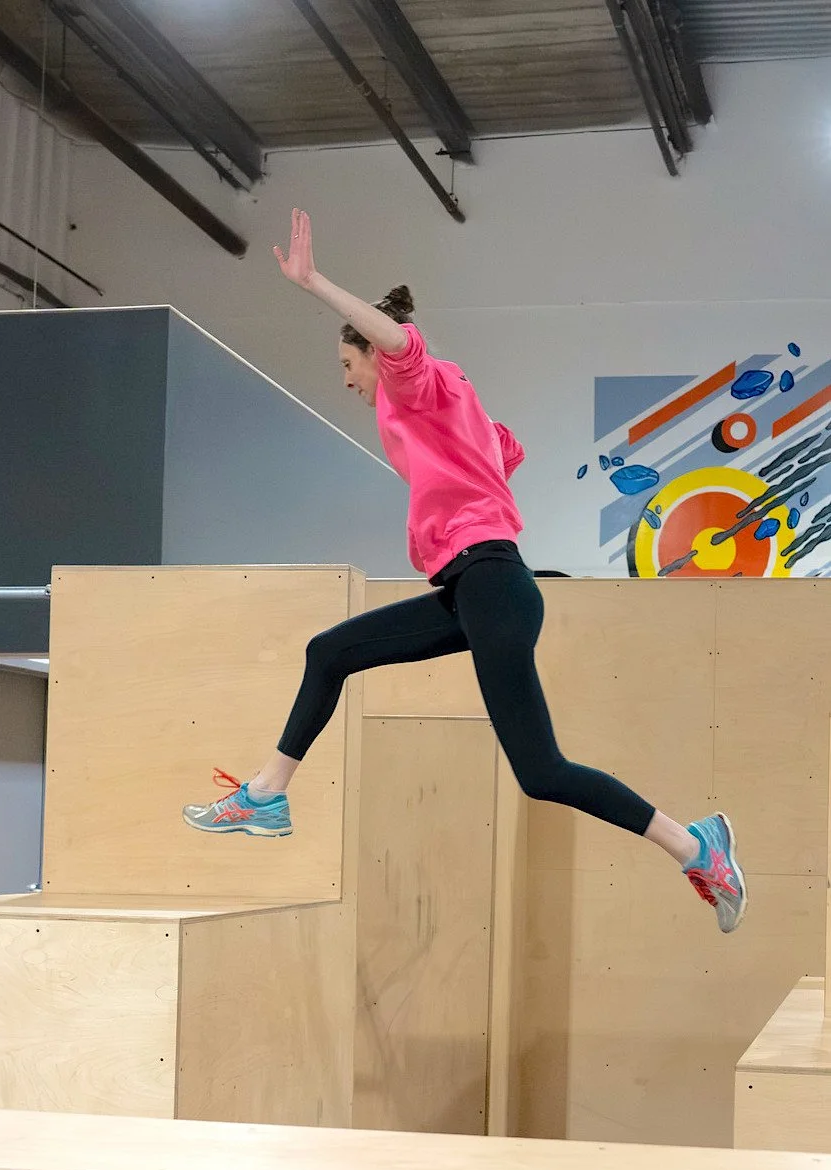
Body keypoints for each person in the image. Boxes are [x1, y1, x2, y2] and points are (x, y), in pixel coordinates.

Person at [183, 208, 746, 935]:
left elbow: (402, 348)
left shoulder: (416, 384)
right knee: (328, 652)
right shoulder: (439, 408)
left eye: (347, 365)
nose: (347, 381)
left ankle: (694, 844)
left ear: (370, 356)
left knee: (540, 772)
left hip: (490, 582)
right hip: (471, 587)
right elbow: (503, 449)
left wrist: (313, 282)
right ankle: (266, 793)